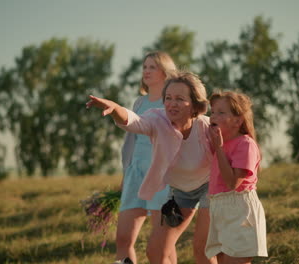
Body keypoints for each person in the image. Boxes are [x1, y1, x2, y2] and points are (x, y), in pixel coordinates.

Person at [87, 71, 217, 264]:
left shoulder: (207, 126)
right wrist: (115, 108)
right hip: (181, 192)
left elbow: (236, 146)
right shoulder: (158, 120)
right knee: (155, 252)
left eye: (180, 99)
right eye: (168, 98)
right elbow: (134, 122)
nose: (172, 103)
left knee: (202, 249)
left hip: (211, 187)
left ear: (196, 105)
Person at [115, 51, 177, 264]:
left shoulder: (170, 101)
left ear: (165, 71)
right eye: (144, 67)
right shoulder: (139, 103)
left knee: (163, 246)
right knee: (123, 238)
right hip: (135, 173)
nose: (146, 71)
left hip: (161, 175)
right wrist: (126, 173)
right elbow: (130, 141)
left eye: (152, 67)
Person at [205, 91, 268, 264]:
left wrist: (218, 148)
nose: (213, 116)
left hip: (240, 211)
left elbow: (232, 183)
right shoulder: (220, 143)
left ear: (238, 121)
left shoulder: (245, 144)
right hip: (219, 208)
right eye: (213, 112)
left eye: (221, 112)